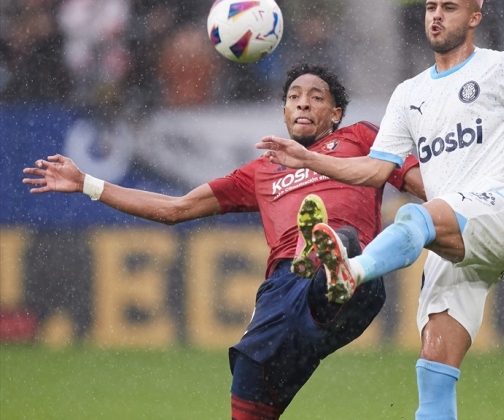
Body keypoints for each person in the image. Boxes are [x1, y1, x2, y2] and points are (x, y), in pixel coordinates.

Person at [22, 62, 422, 419]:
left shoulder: (361, 137)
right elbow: (175, 208)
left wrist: (457, 207)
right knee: (250, 380)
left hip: (359, 273)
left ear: (335, 114)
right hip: (282, 294)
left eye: (316, 98)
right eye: (294, 98)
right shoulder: (262, 170)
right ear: (283, 112)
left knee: (342, 240)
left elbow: (415, 181)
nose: (303, 104)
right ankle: (321, 262)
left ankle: (328, 258)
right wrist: (87, 183)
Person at [256, 1, 504, 419]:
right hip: (453, 245)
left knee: (415, 215)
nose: (437, 15)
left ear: (474, 18)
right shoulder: (409, 94)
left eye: (449, 7)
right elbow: (376, 169)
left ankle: (350, 270)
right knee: (432, 379)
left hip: (497, 210)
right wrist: (309, 159)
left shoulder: (500, 68)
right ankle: (351, 269)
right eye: (431, 6)